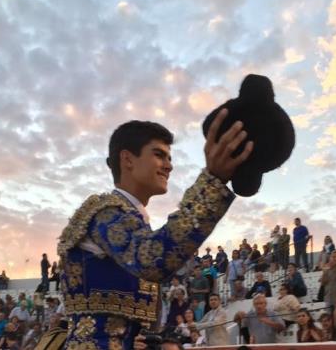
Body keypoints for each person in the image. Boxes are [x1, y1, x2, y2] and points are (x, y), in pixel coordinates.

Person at [57, 114, 253, 349]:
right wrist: (213, 182)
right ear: (127, 159)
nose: (169, 165)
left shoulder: (129, 219)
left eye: (169, 157)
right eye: (159, 155)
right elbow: (150, 259)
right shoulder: (106, 214)